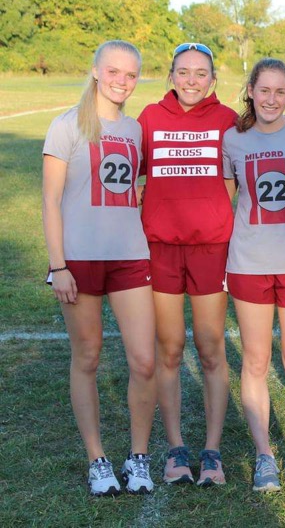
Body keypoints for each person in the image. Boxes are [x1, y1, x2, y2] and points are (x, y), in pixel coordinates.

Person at [42, 40, 156, 496]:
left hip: (130, 256)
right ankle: (98, 460)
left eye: (130, 75)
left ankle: (139, 457)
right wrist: (58, 266)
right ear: (95, 71)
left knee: (144, 361)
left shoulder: (134, 130)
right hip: (79, 260)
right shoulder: (66, 126)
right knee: (87, 357)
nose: (121, 81)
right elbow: (50, 201)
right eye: (114, 71)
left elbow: (140, 186)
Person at [137, 42, 237, 486]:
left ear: (212, 79)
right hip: (160, 247)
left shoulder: (227, 120)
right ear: (171, 75)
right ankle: (176, 446)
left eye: (200, 73)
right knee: (170, 348)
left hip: (211, 247)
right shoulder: (150, 118)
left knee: (211, 347)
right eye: (183, 72)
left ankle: (212, 450)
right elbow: (127, 168)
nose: (191, 80)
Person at [222, 58, 285, 493]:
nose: (271, 99)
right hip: (248, 263)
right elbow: (221, 204)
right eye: (264, 90)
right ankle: (265, 455)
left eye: (280, 91)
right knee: (256, 361)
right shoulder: (232, 139)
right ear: (250, 90)